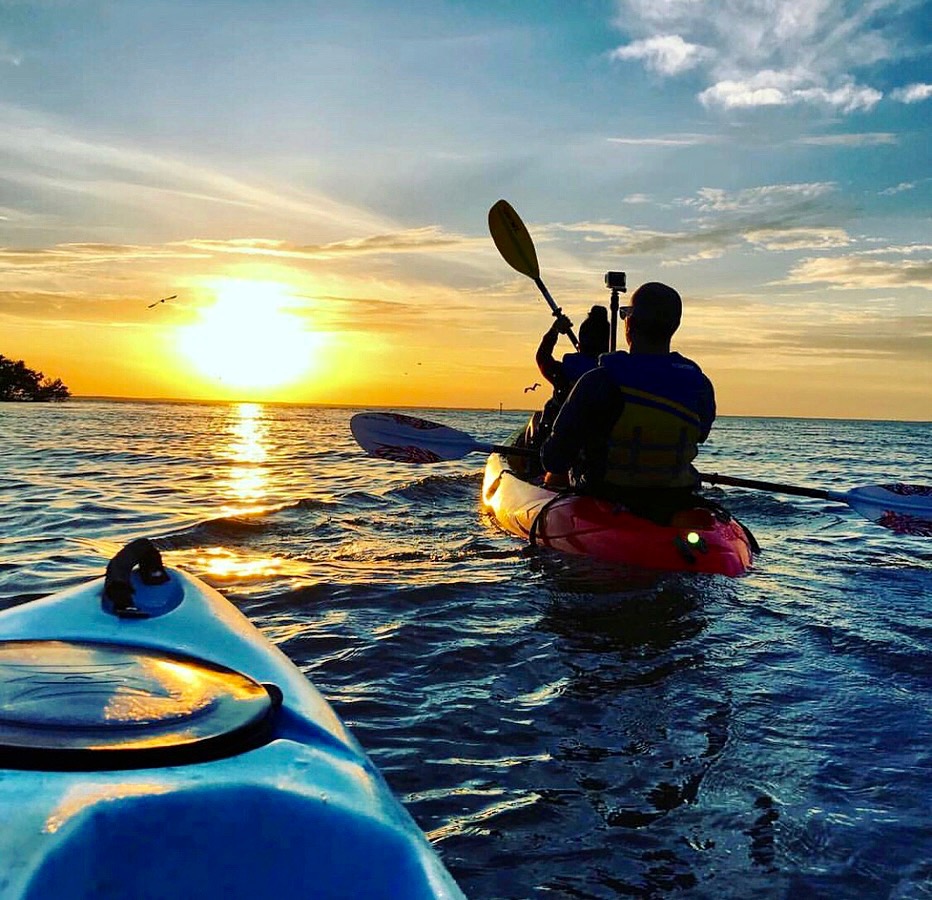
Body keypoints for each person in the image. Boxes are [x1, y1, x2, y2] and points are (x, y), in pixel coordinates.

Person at [540, 282, 715, 519]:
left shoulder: (599, 381)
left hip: (607, 497)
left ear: (629, 323)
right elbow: (700, 434)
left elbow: (554, 458)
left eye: (626, 313)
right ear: (675, 325)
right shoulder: (700, 385)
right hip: (677, 499)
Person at [523, 305, 610, 450]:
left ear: (580, 342)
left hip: (560, 445)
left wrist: (554, 330)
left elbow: (542, 358)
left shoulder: (564, 373)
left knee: (539, 418)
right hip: (595, 446)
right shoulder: (614, 373)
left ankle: (531, 463)